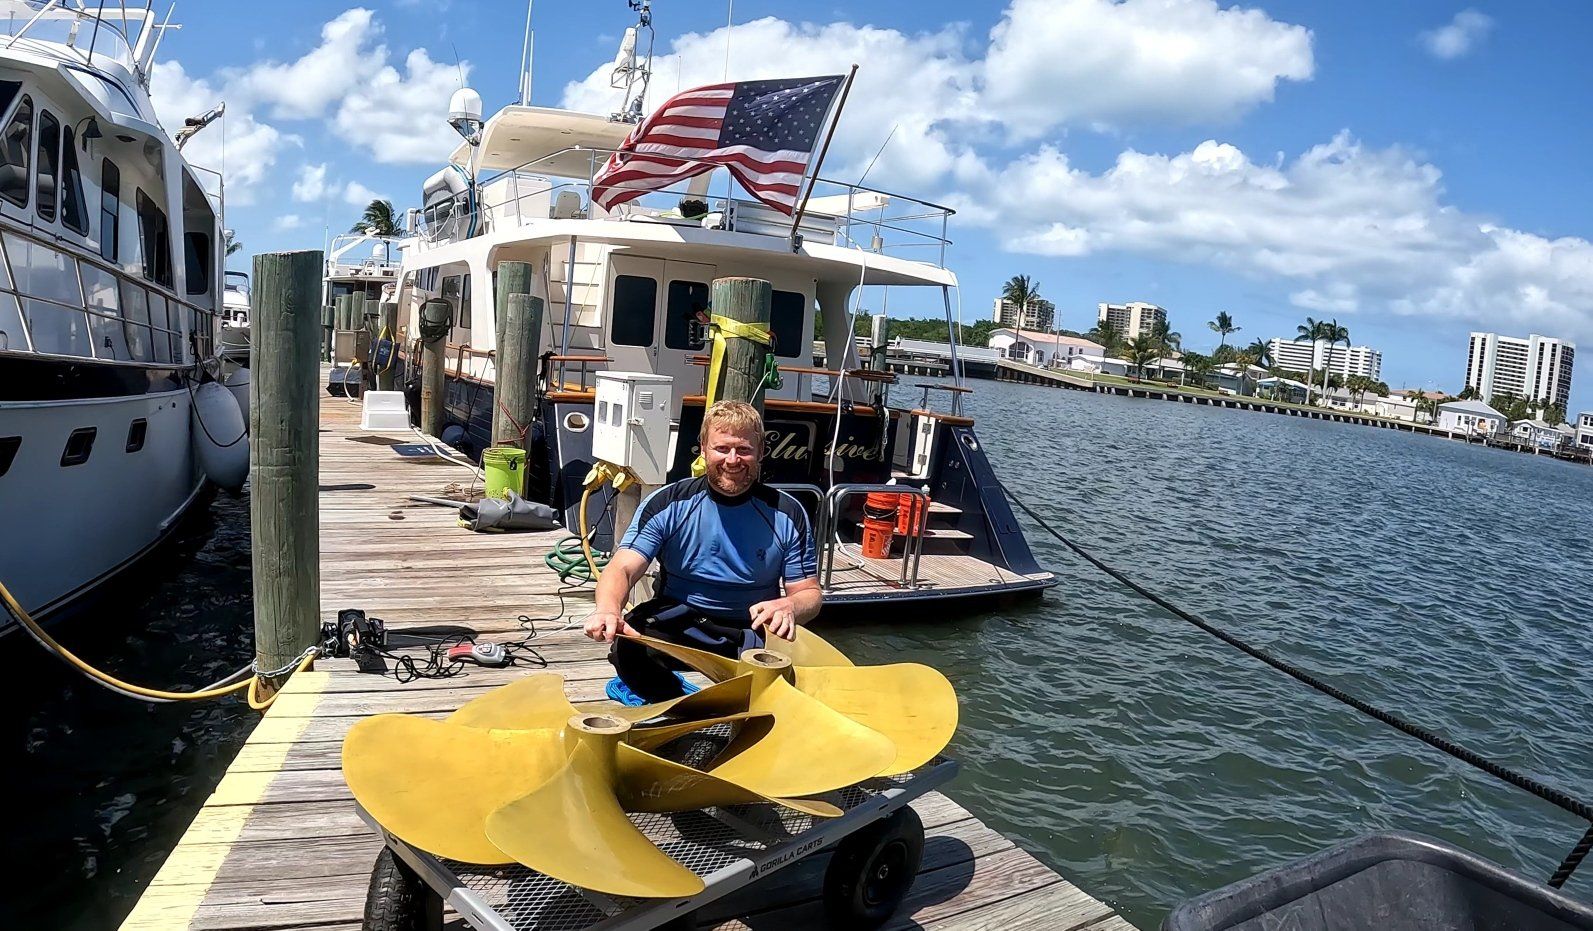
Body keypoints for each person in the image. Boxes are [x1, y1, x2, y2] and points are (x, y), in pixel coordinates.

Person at [584, 400, 821, 702]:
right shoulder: (668, 503)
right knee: (628, 646)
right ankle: (678, 704)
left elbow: (809, 594)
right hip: (680, 618)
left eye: (744, 450)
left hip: (752, 627)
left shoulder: (787, 512)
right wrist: (607, 609)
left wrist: (790, 606)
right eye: (722, 448)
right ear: (704, 450)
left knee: (784, 686)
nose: (733, 460)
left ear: (761, 452)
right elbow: (623, 568)